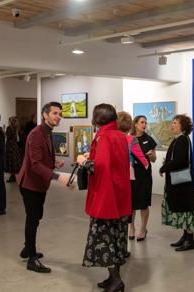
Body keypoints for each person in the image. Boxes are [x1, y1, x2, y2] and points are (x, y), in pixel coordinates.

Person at [77, 104, 131, 292]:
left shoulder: (103, 136)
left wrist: (84, 161)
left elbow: (100, 167)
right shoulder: (120, 136)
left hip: (106, 197)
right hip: (120, 195)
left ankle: (116, 281)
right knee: (116, 237)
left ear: (98, 117)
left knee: (105, 239)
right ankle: (112, 278)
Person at [16, 102, 71, 273]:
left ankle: (27, 248)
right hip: (30, 184)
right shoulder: (36, 134)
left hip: (39, 184)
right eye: (55, 113)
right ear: (44, 114)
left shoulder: (46, 132)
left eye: (60, 114)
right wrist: (57, 176)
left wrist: (53, 163)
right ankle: (31, 259)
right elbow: (35, 164)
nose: (58, 116)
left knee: (36, 216)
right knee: (33, 219)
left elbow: (41, 159)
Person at [160, 114, 194, 252]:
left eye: (175, 122)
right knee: (183, 209)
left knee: (185, 209)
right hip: (180, 182)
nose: (172, 124)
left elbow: (180, 161)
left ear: (182, 126)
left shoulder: (182, 140)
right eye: (172, 122)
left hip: (182, 183)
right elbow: (176, 159)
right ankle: (185, 237)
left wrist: (164, 167)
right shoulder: (180, 139)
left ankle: (190, 240)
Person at [129, 115, 157, 241]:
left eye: (146, 122)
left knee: (143, 204)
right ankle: (132, 228)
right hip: (130, 175)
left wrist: (151, 156)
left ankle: (143, 229)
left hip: (144, 175)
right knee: (131, 204)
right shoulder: (128, 138)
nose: (144, 124)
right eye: (142, 122)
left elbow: (154, 160)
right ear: (135, 124)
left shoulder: (149, 140)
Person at [5, 116, 22, 183]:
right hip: (15, 146)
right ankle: (13, 176)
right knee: (14, 161)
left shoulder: (9, 128)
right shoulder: (16, 128)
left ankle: (12, 176)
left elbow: (8, 136)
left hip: (10, 146)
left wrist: (4, 132)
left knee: (11, 161)